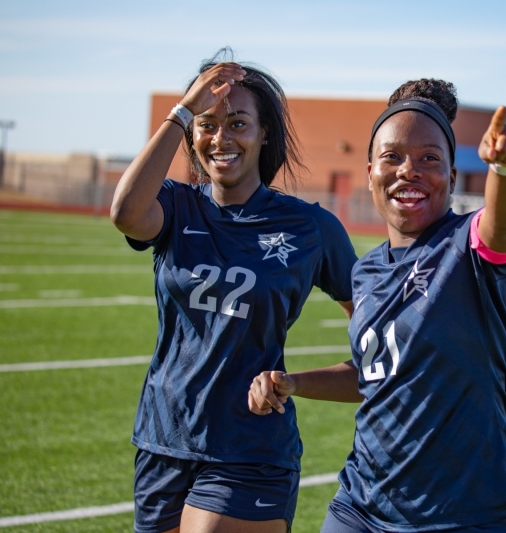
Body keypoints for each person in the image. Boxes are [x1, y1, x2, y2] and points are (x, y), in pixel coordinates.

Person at [249, 78, 506, 532]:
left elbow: (504, 226)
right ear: (369, 172)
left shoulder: (469, 245)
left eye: (430, 158)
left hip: (474, 513)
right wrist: (294, 382)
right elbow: (375, 373)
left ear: (451, 174)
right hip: (363, 504)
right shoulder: (365, 271)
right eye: (393, 157)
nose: (409, 170)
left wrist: (505, 170)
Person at [111, 50, 357, 533]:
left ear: (265, 133)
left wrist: (300, 382)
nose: (220, 138)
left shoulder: (311, 227)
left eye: (238, 123)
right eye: (206, 124)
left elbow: (379, 342)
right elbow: (124, 213)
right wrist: (183, 109)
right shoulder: (174, 206)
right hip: (163, 439)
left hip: (251, 447)